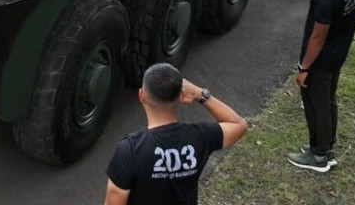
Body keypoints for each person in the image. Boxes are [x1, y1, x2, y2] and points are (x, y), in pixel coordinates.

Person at [104, 63, 248, 205]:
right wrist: (200, 94)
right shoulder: (200, 137)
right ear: (181, 96)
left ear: (142, 95)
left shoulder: (129, 150)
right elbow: (239, 125)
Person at [287, 0, 355, 173]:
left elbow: (318, 36)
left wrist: (304, 68)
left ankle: (319, 155)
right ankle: (325, 145)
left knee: (316, 104)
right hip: (338, 54)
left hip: (319, 61)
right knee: (329, 101)